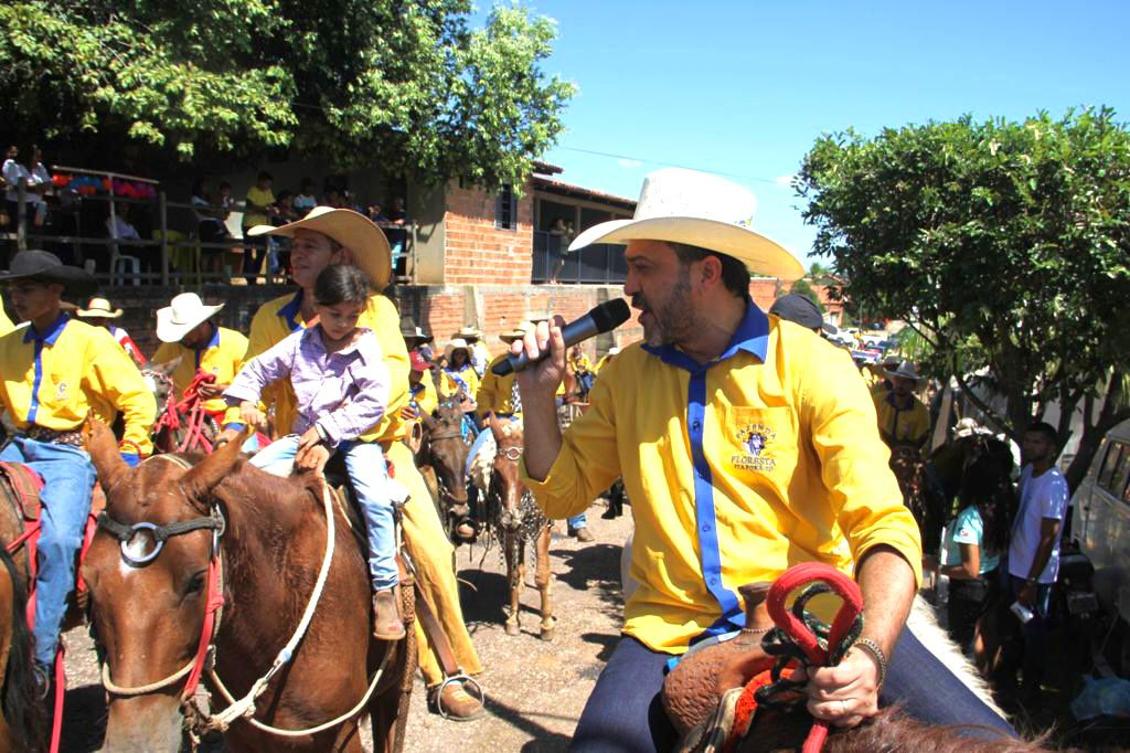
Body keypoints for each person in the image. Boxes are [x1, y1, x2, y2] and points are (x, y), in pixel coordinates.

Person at [511, 168, 1012, 751]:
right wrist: (537, 395)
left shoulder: (813, 367)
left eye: (642, 266)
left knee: (997, 742)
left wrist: (870, 652)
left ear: (706, 272)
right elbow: (560, 496)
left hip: (819, 621)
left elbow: (884, 526)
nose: (628, 287)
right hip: (667, 628)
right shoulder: (625, 377)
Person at [227, 206, 485, 719]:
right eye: (293, 245)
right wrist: (240, 407)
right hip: (294, 445)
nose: (296, 253)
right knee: (230, 516)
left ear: (338, 257)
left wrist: (332, 431)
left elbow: (389, 386)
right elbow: (254, 375)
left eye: (309, 245)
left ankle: (445, 667)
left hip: (372, 443)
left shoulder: (375, 311)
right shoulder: (269, 318)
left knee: (428, 547)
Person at [225, 265, 404, 639]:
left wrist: (328, 429)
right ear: (318, 307)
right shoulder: (299, 342)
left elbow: (373, 402)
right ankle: (234, 565)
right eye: (335, 314)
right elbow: (259, 369)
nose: (343, 323)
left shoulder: (365, 346)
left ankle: (385, 587)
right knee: (247, 478)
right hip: (304, 436)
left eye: (351, 315)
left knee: (375, 497)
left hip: (355, 439)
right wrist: (245, 398)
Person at [0, 250, 156, 673]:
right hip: (15, 448)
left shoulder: (90, 341)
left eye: (27, 288)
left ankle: (40, 656)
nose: (17, 296)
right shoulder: (7, 345)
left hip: (69, 454)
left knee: (58, 542)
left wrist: (131, 448)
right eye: (13, 289)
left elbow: (138, 397)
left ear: (56, 291)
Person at [1003, 421, 1069, 705]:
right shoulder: (1029, 473)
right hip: (1015, 566)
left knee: (1034, 632)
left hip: (1034, 576)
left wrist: (1031, 581)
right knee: (1018, 627)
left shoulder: (1054, 485)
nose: (1030, 446)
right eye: (1027, 441)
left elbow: (1048, 538)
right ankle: (1013, 679)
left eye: (1037, 442)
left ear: (1052, 449)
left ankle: (1031, 689)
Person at [939, 454, 1011, 650]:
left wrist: (936, 568)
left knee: (960, 647)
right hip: (991, 581)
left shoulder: (970, 518)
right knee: (985, 641)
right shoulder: (998, 512)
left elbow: (970, 569)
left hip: (969, 590)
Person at [151, 292, 249, 424]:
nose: (182, 337)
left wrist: (223, 390)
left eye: (186, 332)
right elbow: (154, 376)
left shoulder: (236, 343)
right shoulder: (171, 347)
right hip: (183, 417)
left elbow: (254, 388)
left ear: (202, 323)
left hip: (231, 415)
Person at [874, 360, 931, 451]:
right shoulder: (877, 401)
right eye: (898, 380)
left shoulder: (921, 411)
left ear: (913, 386)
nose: (900, 385)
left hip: (903, 456)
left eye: (905, 382)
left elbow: (921, 440)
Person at [75, 296, 146, 366]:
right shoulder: (81, 335)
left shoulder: (118, 335)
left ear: (107, 318)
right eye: (93, 318)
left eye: (100, 318)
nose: (96, 320)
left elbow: (137, 361)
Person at [241, 171, 276, 284]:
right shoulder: (252, 190)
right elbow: (250, 204)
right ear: (260, 181)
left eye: (269, 184)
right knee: (248, 251)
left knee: (262, 251)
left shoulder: (268, 192)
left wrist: (269, 210)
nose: (267, 186)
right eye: (266, 183)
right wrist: (263, 210)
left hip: (262, 226)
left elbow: (271, 206)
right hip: (249, 224)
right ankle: (248, 276)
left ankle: (254, 275)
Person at [439, 338, 480, 409]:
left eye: (462, 354)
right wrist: (456, 396)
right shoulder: (445, 373)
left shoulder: (470, 371)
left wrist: (469, 398)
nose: (460, 356)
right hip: (452, 406)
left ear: (466, 356)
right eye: (457, 354)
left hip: (470, 405)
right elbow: (444, 392)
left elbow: (475, 388)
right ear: (452, 356)